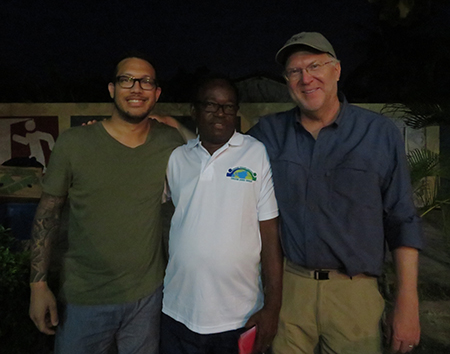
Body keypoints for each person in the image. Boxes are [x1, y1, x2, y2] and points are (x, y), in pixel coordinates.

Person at [248, 32, 424, 354]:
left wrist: (407, 301)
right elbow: (223, 156)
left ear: (336, 70)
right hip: (291, 292)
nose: (306, 78)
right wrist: (171, 130)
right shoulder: (269, 133)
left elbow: (402, 218)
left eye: (315, 66)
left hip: (354, 295)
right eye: (294, 71)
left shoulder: (378, 133)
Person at [29, 54, 185, 354]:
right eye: (127, 80)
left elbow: (207, 155)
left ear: (157, 93)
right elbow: (46, 215)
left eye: (146, 81)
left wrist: (175, 122)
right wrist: (38, 286)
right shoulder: (75, 143)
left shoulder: (169, 141)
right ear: (112, 89)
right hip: (84, 300)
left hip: (147, 298)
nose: (136, 88)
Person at [160, 77, 283, 354]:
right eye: (211, 105)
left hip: (239, 316)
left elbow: (270, 236)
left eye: (228, 107)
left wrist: (273, 308)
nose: (220, 113)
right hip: (178, 312)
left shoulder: (255, 153)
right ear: (194, 110)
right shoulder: (176, 158)